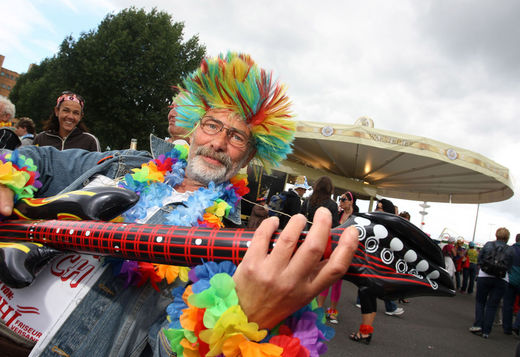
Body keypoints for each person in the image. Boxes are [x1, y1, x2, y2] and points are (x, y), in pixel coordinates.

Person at [0, 52, 359, 356]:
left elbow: (165, 348)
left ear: (248, 157)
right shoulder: (125, 163)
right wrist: (6, 178)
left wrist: (241, 315)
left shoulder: (228, 253)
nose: (218, 142)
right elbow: (41, 159)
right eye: (212, 125)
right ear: (192, 129)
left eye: (236, 137)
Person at [350, 198, 403, 345]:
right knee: (367, 295)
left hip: (375, 269)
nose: (377, 210)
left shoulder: (389, 227)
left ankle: (365, 333)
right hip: (372, 267)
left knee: (366, 294)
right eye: (377, 207)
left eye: (380, 208)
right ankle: (365, 331)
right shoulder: (383, 225)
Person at [318, 190, 358, 324]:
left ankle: (333, 311)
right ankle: (319, 309)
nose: (341, 201)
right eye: (340, 199)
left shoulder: (355, 218)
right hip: (331, 249)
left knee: (337, 281)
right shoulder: (337, 214)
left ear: (351, 201)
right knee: (325, 278)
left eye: (344, 199)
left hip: (344, 252)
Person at [469, 227, 514, 338]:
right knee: (492, 305)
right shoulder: (510, 250)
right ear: (507, 238)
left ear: (496, 235)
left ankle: (478, 325)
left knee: (480, 302)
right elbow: (510, 266)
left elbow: (480, 259)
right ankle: (486, 332)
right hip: (501, 279)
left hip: (484, 276)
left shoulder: (489, 245)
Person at [33, 91, 100, 151]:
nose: (70, 117)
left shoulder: (90, 141)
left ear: (80, 117)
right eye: (66, 110)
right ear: (57, 111)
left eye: (76, 113)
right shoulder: (41, 139)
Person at [503, 233, 520, 336]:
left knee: (508, 304)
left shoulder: (510, 249)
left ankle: (507, 328)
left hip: (510, 279)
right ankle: (517, 325)